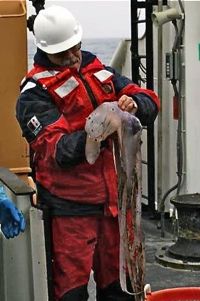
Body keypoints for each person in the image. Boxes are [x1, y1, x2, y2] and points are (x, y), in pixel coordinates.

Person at [16, 5, 160, 301]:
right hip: (71, 209)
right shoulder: (34, 93)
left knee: (120, 289)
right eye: (62, 54)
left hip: (115, 206)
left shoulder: (99, 71)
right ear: (45, 51)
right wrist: (97, 133)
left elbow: (148, 99)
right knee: (71, 292)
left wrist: (135, 104)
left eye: (75, 49)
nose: (72, 58)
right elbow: (55, 149)